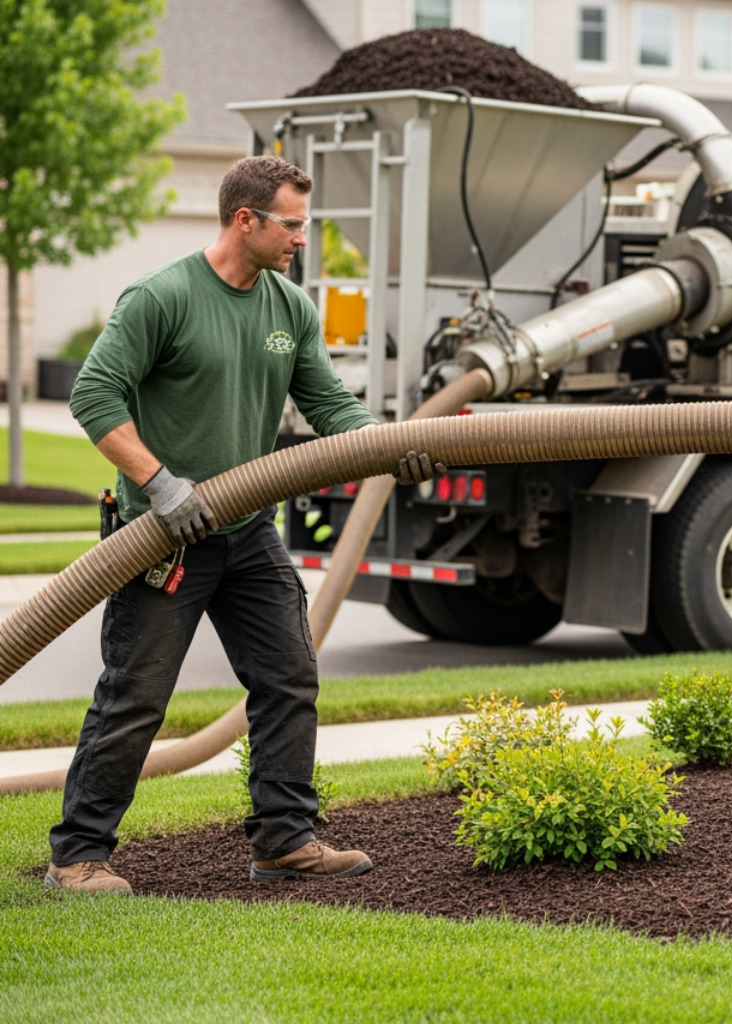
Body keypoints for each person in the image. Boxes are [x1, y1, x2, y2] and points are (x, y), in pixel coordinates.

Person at [46, 156, 441, 893]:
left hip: (248, 530)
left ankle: (284, 841)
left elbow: (330, 407)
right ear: (245, 219)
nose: (302, 238)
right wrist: (159, 484)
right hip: (163, 536)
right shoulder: (162, 297)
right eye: (292, 224)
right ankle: (78, 855)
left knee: (288, 675)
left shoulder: (289, 308)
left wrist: (388, 446)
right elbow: (94, 396)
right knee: (137, 696)